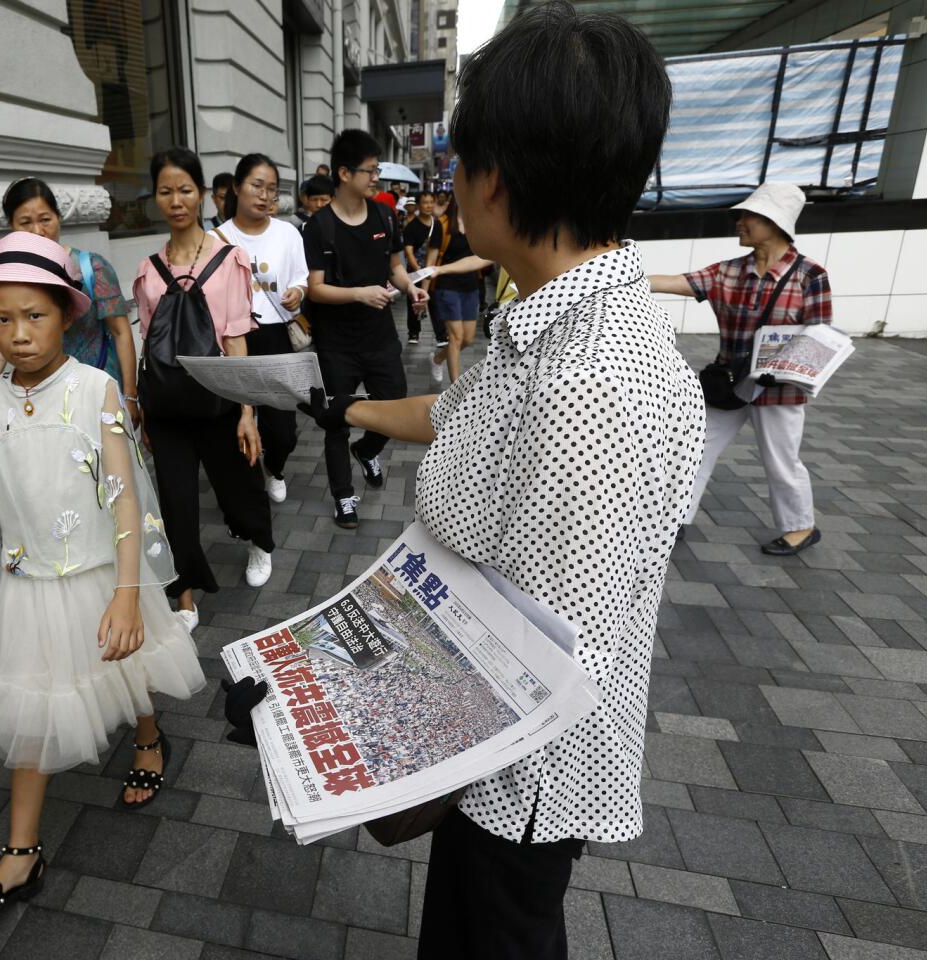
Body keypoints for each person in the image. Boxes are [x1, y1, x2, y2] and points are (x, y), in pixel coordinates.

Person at [299, 3, 702, 956]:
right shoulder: (550, 332)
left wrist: (335, 714)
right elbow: (454, 418)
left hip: (519, 778)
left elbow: (527, 653)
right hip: (491, 756)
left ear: (491, 178)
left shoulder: (593, 381)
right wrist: (343, 410)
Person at [0, 232, 204, 919]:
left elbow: (124, 496)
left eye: (34, 315)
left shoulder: (95, 390)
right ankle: (22, 849)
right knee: (33, 706)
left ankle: (148, 736)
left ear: (67, 313)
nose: (18, 334)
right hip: (30, 588)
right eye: (1, 319)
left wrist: (129, 594)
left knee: (132, 661)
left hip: (105, 571)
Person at [134, 147, 277, 627]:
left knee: (238, 485)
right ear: (155, 198)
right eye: (165, 191)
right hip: (167, 406)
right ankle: (185, 594)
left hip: (217, 400)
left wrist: (247, 412)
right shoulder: (148, 269)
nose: (176, 200)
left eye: (185, 190)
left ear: (202, 194)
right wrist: (142, 403)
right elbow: (147, 340)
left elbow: (235, 339)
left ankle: (259, 540)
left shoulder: (230, 259)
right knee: (175, 501)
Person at [649, 182, 830, 555]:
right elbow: (679, 282)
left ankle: (801, 527)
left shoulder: (810, 276)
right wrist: (618, 278)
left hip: (780, 390)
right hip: (728, 385)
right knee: (695, 449)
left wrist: (784, 366)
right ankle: (675, 517)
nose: (739, 222)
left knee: (781, 461)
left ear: (774, 221)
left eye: (748, 216)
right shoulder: (727, 272)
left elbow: (821, 338)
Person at [302, 128, 429, 529]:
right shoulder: (319, 226)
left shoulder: (384, 215)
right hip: (336, 342)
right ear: (344, 173)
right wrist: (359, 294)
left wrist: (411, 288)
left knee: (394, 399)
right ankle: (343, 497)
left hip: (379, 336)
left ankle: (368, 449)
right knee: (336, 419)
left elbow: (395, 267)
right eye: (370, 170)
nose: (376, 177)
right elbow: (316, 290)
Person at [0, 177, 141, 427]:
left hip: (97, 395)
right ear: (11, 225)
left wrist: (129, 395)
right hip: (40, 399)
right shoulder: (9, 276)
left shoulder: (91, 268)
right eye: (25, 222)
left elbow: (120, 332)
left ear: (58, 218)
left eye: (45, 220)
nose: (37, 231)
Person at [212, 153, 309, 504]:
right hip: (232, 339)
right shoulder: (215, 238)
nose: (266, 196)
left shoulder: (288, 233)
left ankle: (275, 468)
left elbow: (302, 278)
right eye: (257, 186)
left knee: (283, 430)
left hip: (274, 335)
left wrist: (297, 293)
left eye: (272, 189)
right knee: (238, 418)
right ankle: (247, 490)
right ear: (236, 188)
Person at [425, 196, 494, 386]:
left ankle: (437, 358)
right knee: (456, 337)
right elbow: (430, 262)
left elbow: (485, 256)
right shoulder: (443, 224)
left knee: (468, 339)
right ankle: (455, 388)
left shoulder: (477, 225)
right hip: (446, 286)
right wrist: (423, 293)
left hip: (470, 286)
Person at [402, 190, 443, 346]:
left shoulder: (436, 224)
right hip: (414, 272)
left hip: (432, 270)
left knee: (434, 301)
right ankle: (413, 332)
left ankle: (441, 334)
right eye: (425, 203)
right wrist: (419, 269)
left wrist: (428, 271)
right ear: (419, 205)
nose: (428, 206)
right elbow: (408, 251)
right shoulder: (411, 227)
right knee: (413, 299)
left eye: (431, 202)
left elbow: (436, 249)